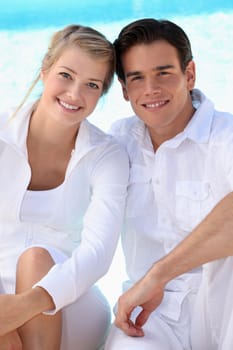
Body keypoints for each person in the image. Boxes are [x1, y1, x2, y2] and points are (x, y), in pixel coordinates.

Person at [104, 18, 233, 350]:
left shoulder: (225, 137)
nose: (151, 90)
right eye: (137, 78)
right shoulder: (117, 143)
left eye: (163, 73)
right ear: (123, 89)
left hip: (223, 305)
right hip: (151, 317)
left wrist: (157, 276)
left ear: (189, 74)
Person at [0, 24, 129, 350]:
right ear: (45, 71)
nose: (75, 94)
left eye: (92, 85)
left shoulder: (106, 155)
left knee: (35, 258)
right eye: (66, 75)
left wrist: (27, 304)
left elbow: (98, 254)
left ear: (101, 94)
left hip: (70, 304)